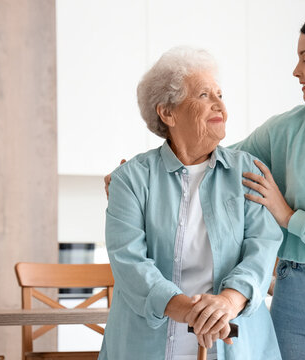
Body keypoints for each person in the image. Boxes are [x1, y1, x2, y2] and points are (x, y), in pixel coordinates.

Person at [106, 11, 305, 360]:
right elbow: (209, 158)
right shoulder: (288, 128)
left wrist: (289, 218)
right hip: (296, 297)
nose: (295, 70)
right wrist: (138, 177)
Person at [99, 46, 282, 360]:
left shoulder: (247, 170)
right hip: (146, 342)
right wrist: (188, 311)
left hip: (233, 338)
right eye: (203, 95)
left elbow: (262, 248)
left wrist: (228, 301)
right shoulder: (130, 179)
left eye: (220, 94)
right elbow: (129, 262)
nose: (219, 105)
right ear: (167, 113)